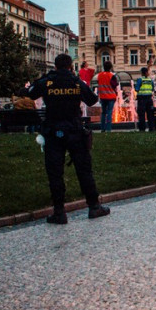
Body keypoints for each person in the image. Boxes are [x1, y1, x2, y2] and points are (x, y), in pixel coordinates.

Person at [23, 53, 110, 224]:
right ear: (70, 66)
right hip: (74, 131)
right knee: (84, 170)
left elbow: (31, 93)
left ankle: (59, 212)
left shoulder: (47, 81)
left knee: (55, 173)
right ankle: (94, 206)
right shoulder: (76, 82)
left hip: (53, 131)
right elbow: (92, 100)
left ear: (55, 66)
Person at [96, 61, 119, 133]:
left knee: (103, 113)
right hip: (111, 97)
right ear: (110, 67)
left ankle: (102, 129)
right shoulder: (112, 75)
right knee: (109, 112)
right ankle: (108, 129)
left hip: (102, 96)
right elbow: (115, 84)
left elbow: (98, 82)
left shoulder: (99, 75)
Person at [134, 66, 156, 131]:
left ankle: (142, 128)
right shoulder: (150, 80)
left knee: (141, 114)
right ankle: (151, 128)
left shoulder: (140, 80)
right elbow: (152, 89)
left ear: (142, 73)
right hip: (149, 99)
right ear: (147, 72)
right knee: (150, 114)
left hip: (141, 99)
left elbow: (136, 89)